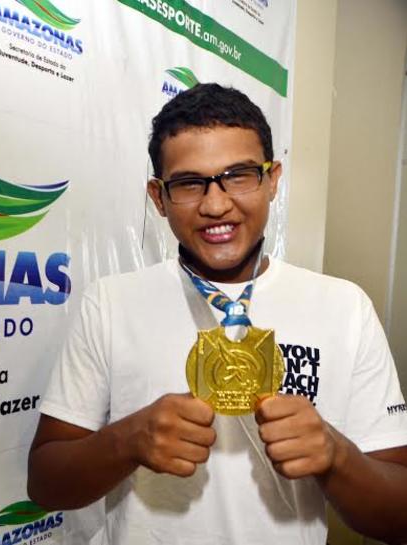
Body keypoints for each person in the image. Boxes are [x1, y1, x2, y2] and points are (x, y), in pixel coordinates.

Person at [27, 83, 407, 544]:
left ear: (272, 180)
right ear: (158, 197)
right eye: (189, 183)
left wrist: (336, 456)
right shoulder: (110, 302)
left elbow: (397, 517)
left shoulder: (345, 307)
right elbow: (44, 484)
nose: (216, 204)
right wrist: (127, 440)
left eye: (239, 175)